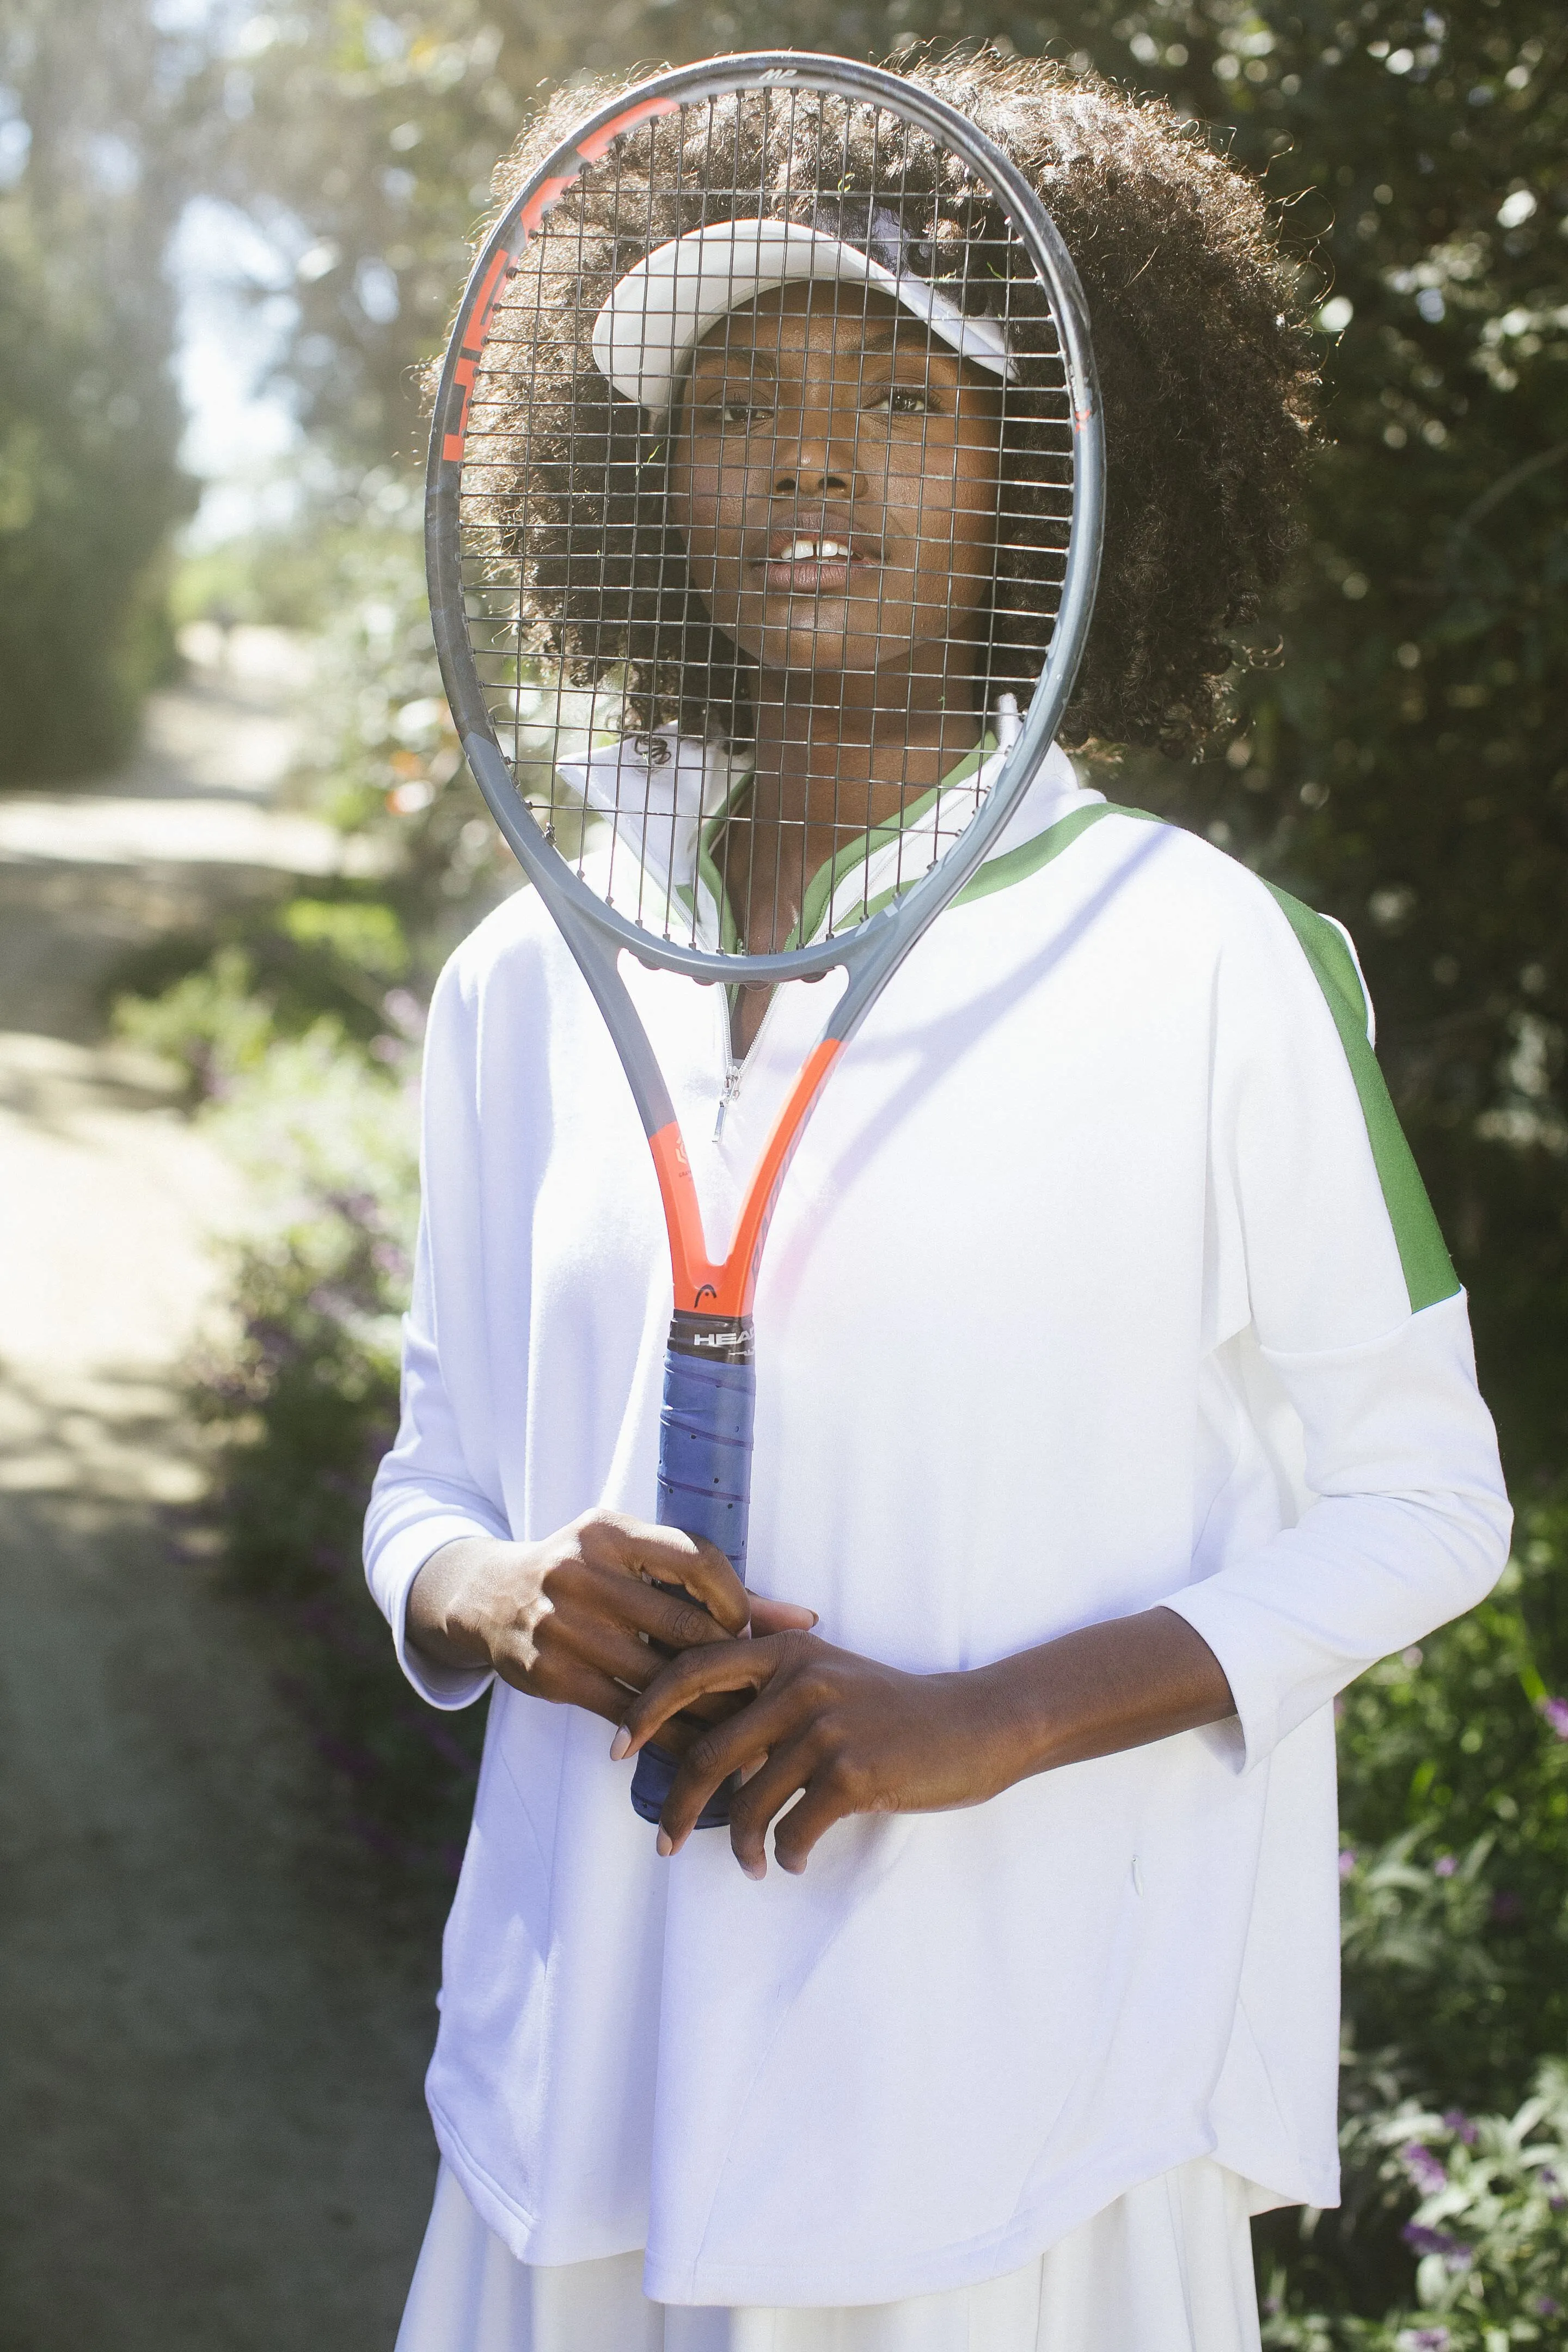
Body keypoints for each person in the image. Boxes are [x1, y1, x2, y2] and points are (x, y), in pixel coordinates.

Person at [366, 51, 1511, 2352]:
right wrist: (486, 1592)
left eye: (907, 393)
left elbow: (1429, 1504)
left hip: (1014, 2136)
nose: (811, 458)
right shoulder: (525, 975)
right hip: (576, 2096)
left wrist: (990, 1720)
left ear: (1045, 474)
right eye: (737, 401)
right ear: (647, 482)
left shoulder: (1209, 964)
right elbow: (432, 1465)